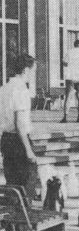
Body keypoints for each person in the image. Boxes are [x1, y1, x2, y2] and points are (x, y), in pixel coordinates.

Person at [0, 55, 38, 205]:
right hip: (19, 141)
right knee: (26, 184)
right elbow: (20, 124)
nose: (33, 75)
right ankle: (23, 225)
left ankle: (12, 225)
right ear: (25, 70)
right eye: (32, 71)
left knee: (12, 183)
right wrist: (28, 150)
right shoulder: (21, 90)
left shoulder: (3, 89)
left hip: (6, 139)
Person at [61, 39, 79, 123]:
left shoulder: (69, 52)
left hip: (71, 76)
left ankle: (65, 117)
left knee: (68, 96)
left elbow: (64, 63)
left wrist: (71, 65)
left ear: (74, 45)